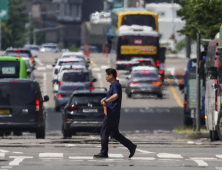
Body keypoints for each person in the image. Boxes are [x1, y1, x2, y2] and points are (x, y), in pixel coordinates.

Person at [94, 68, 137, 158]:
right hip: (114, 113)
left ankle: (104, 152)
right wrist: (105, 99)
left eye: (106, 75)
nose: (105, 77)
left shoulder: (115, 85)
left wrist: (106, 101)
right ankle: (131, 146)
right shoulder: (114, 85)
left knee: (104, 132)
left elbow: (115, 95)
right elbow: (112, 95)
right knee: (114, 133)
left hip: (111, 113)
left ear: (111, 76)